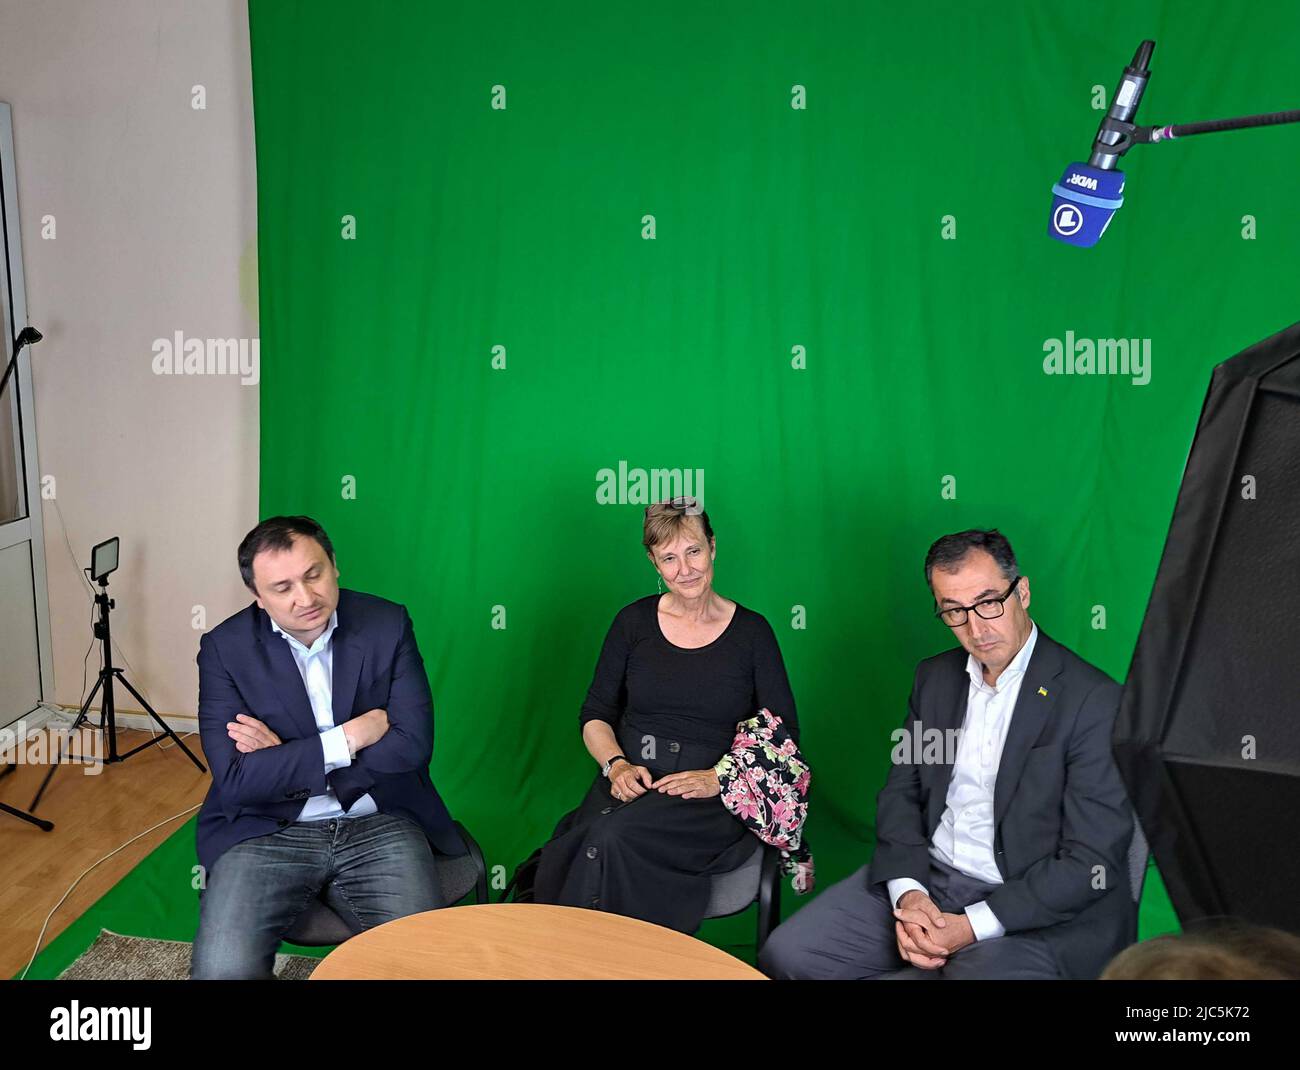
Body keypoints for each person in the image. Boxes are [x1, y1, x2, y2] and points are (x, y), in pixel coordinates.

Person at [760, 528, 1136, 979]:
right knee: (789, 954)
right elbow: (902, 793)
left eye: (989, 602)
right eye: (954, 611)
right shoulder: (935, 679)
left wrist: (970, 926)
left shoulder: (1092, 700)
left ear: (1024, 592)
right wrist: (909, 896)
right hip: (930, 878)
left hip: (1030, 909)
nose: (977, 628)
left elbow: (1090, 859)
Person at [190, 515, 465, 979]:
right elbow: (236, 780)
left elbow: (412, 746)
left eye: (313, 574)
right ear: (258, 597)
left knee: (425, 966)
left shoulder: (387, 623)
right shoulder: (224, 648)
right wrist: (350, 737)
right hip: (264, 829)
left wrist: (284, 758)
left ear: (334, 565)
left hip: (379, 820)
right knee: (222, 972)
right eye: (282, 588)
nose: (306, 598)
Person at [532, 497, 799, 933]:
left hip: (707, 793)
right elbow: (596, 713)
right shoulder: (631, 623)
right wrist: (615, 765)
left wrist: (720, 778)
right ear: (654, 562)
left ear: (712, 546)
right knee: (578, 844)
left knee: (609, 840)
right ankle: (573, 959)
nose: (685, 569)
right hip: (629, 780)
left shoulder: (753, 633)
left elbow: (784, 737)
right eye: (669, 558)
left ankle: (630, 961)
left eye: (693, 551)